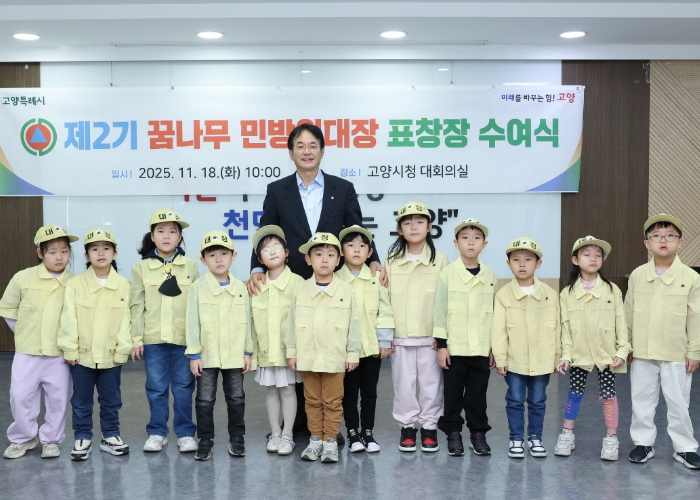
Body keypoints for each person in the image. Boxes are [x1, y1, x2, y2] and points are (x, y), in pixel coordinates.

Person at [248, 123, 387, 442]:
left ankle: (329, 423)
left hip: (331, 278)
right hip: (292, 278)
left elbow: (355, 230)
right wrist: (257, 266)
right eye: (300, 146)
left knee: (329, 345)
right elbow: (267, 231)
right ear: (291, 153)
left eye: (313, 145)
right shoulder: (277, 189)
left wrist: (374, 259)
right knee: (299, 343)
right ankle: (300, 421)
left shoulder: (343, 187)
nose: (307, 151)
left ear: (322, 151)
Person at [625, 214, 700, 469]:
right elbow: (628, 312)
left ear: (680, 242)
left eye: (670, 235)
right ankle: (643, 443)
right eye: (656, 236)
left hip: (676, 352)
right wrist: (627, 345)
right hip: (642, 351)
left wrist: (694, 351)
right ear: (647, 244)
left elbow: (696, 317)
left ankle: (684, 448)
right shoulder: (637, 275)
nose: (663, 240)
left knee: (679, 402)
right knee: (641, 400)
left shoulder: (691, 277)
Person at [0, 225, 78, 459]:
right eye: (52, 252)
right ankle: (23, 438)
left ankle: (51, 440)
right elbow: (8, 309)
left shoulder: (75, 282)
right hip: (27, 352)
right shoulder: (23, 278)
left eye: (64, 251)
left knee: (58, 398)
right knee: (20, 396)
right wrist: (24, 333)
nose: (59, 257)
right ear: (40, 253)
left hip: (59, 354)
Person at [284, 232, 361, 463]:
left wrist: (353, 353)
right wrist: (292, 352)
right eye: (318, 254)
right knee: (312, 400)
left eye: (330, 254)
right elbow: (291, 323)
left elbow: (354, 324)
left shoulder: (345, 290)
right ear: (308, 259)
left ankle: (330, 441)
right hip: (307, 356)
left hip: (334, 356)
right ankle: (315, 438)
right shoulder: (300, 290)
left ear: (338, 260)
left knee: (333, 401)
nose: (324, 259)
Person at [57, 228, 132, 461]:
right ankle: (82, 437)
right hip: (81, 356)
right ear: (87, 255)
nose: (101, 253)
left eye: (106, 248)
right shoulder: (76, 284)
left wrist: (122, 351)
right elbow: (68, 318)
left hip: (111, 356)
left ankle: (110, 435)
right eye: (94, 249)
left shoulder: (123, 285)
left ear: (115, 254)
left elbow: (126, 321)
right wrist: (70, 348)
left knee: (111, 399)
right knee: (81, 400)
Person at [130, 208, 199, 453]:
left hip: (183, 339)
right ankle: (157, 432)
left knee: (183, 387)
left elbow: (197, 307)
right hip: (153, 339)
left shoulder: (191, 266)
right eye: (161, 231)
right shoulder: (140, 268)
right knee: (156, 388)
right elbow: (136, 305)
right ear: (152, 236)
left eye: (172, 231)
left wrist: (196, 341)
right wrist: (136, 338)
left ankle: (185, 433)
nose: (167, 236)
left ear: (180, 237)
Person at [554, 236, 630, 461]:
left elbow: (621, 322)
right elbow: (565, 329)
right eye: (587, 254)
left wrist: (622, 350)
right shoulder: (566, 293)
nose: (593, 258)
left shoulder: (612, 290)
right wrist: (566, 355)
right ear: (575, 260)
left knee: (608, 395)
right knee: (575, 393)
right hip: (579, 354)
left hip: (607, 355)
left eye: (598, 255)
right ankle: (567, 434)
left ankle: (612, 438)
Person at [387, 201, 449, 453]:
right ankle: (407, 427)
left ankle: (430, 427)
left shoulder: (441, 260)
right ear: (399, 230)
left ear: (430, 227)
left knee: (431, 385)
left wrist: (442, 336)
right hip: (400, 337)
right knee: (403, 385)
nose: (414, 227)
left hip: (430, 338)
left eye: (420, 222)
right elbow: (383, 300)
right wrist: (386, 335)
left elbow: (445, 301)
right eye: (407, 222)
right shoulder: (391, 261)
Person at [186, 231, 252, 461]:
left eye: (224, 253)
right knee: (204, 400)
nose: (219, 259)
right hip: (207, 355)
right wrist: (194, 354)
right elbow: (192, 322)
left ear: (234, 256)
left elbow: (248, 321)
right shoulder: (197, 287)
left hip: (235, 354)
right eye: (212, 255)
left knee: (236, 398)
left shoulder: (241, 288)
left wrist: (247, 351)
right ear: (203, 260)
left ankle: (237, 437)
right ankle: (205, 440)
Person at [491, 237, 560, 459]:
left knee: (538, 400)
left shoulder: (550, 294)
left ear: (538, 263)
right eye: (516, 260)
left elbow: (558, 328)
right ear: (508, 263)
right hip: (515, 361)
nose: (522, 264)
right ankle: (516, 438)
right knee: (514, 400)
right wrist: (501, 359)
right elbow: (498, 331)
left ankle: (535, 438)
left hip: (542, 359)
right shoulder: (503, 295)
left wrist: (557, 357)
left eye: (528, 259)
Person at [434, 219, 496, 457]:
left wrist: (494, 348)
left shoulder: (490, 276)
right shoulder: (447, 274)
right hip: (455, 348)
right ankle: (453, 433)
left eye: (477, 238)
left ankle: (478, 433)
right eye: (465, 238)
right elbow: (440, 311)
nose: (471, 242)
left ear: (484, 244)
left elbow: (493, 315)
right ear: (456, 243)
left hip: (481, 348)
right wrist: (442, 345)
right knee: (452, 395)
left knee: (477, 395)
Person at [336, 225, 395, 452]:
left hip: (372, 348)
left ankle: (367, 432)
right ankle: (352, 432)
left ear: (370, 252)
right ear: (342, 252)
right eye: (350, 245)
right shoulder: (336, 279)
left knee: (370, 393)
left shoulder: (375, 278)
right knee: (349, 394)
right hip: (347, 351)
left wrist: (385, 341)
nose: (356, 250)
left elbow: (385, 311)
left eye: (362, 246)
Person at [249, 225, 304, 456]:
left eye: (276, 246)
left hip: (287, 352)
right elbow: (250, 321)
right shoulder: (256, 285)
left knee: (289, 390)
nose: (272, 251)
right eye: (265, 249)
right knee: (271, 391)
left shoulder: (298, 283)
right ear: (259, 259)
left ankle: (288, 434)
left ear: (286, 252)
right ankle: (275, 432)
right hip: (265, 350)